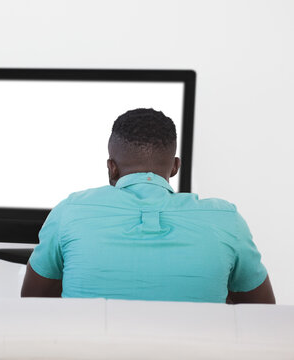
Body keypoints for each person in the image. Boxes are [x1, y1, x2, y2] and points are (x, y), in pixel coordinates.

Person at [21, 108, 275, 304]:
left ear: (112, 167)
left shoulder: (70, 211)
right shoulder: (226, 220)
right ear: (175, 167)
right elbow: (261, 315)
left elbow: (33, 304)